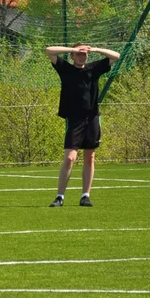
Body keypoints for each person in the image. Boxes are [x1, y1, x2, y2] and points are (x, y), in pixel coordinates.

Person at [45, 43, 121, 207]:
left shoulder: (94, 68)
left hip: (92, 118)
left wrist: (95, 49)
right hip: (74, 119)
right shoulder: (66, 69)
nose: (82, 56)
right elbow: (49, 51)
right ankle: (60, 196)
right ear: (72, 56)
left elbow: (116, 56)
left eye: (84, 54)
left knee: (90, 157)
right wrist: (72, 49)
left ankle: (85, 195)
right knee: (70, 158)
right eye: (78, 54)